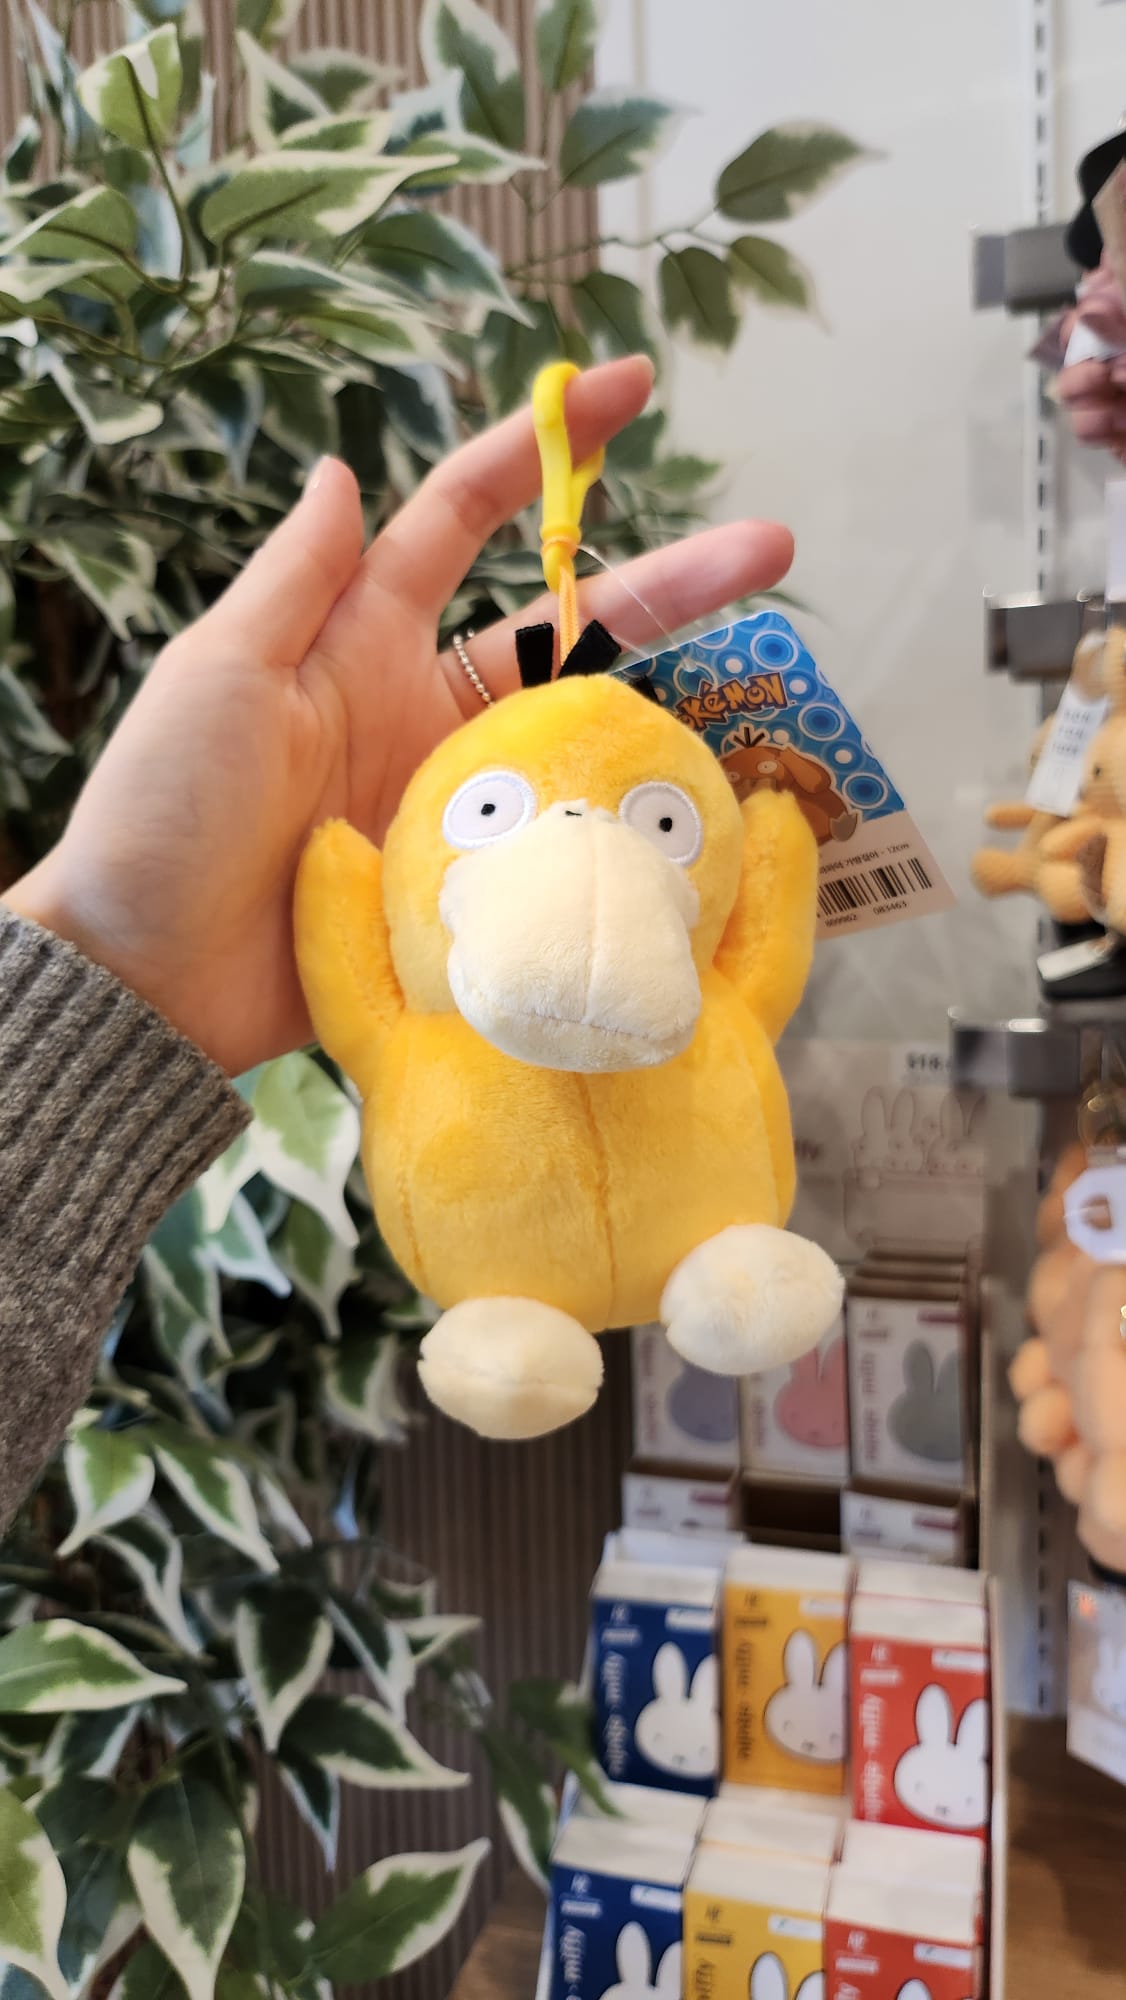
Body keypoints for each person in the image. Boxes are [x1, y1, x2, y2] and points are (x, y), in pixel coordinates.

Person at [0, 355, 793, 1529]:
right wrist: (133, 953)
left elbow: (759, 955)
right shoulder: (408, 962)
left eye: (665, 824)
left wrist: (121, 971)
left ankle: (719, 1267)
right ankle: (515, 1317)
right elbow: (352, 948)